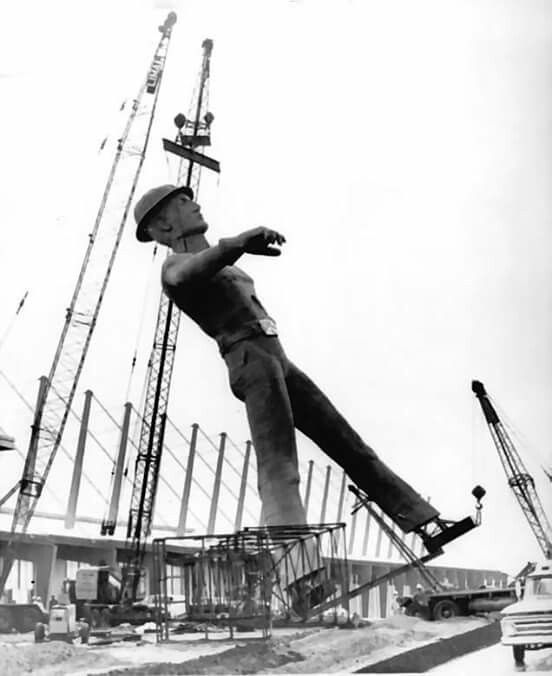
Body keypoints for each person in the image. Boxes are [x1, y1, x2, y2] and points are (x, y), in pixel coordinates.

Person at [133, 184, 448, 549]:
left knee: (349, 445)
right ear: (163, 228)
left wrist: (236, 249)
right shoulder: (175, 266)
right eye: (184, 204)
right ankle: (298, 567)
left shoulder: (225, 264)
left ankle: (423, 520)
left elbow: (215, 266)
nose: (196, 205)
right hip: (249, 358)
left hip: (275, 356)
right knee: (280, 465)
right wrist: (235, 244)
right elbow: (184, 277)